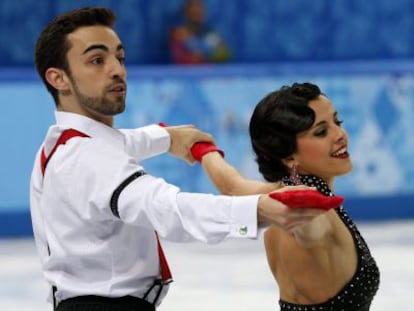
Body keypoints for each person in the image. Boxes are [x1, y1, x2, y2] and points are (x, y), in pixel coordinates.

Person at [30, 7, 324, 311]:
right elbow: (169, 209)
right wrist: (257, 211)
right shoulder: (89, 160)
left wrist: (168, 137)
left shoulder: (62, 145)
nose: (117, 69)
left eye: (120, 57)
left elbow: (120, 144)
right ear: (58, 78)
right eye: (96, 60)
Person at [197, 82, 380, 310]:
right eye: (321, 132)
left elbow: (232, 185)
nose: (340, 134)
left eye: (337, 121)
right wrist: (304, 206)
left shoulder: (274, 194)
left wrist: (202, 150)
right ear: (289, 158)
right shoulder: (307, 212)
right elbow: (310, 231)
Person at [169, 0, 231, 64]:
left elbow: (225, 54)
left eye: (199, 9)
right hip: (186, 72)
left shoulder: (210, 33)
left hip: (209, 72)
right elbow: (179, 58)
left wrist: (208, 55)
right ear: (186, 12)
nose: (197, 12)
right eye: (193, 11)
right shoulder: (178, 33)